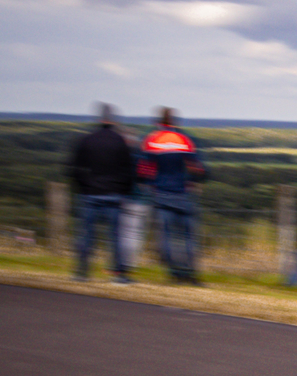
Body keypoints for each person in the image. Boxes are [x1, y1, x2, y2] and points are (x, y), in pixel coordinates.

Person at [66, 104, 136, 281]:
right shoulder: (120, 141)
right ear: (113, 120)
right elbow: (129, 171)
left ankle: (82, 271)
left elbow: (74, 168)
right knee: (115, 237)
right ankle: (119, 274)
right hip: (113, 194)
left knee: (87, 234)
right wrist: (123, 191)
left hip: (90, 193)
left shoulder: (87, 139)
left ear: (99, 119)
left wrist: (83, 187)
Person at [138, 108, 207, 282]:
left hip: (161, 195)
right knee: (188, 236)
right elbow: (199, 169)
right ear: (175, 122)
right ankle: (190, 273)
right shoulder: (185, 141)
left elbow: (143, 171)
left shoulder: (151, 140)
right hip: (184, 195)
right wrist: (193, 180)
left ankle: (174, 273)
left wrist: (150, 183)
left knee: (166, 236)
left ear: (158, 122)